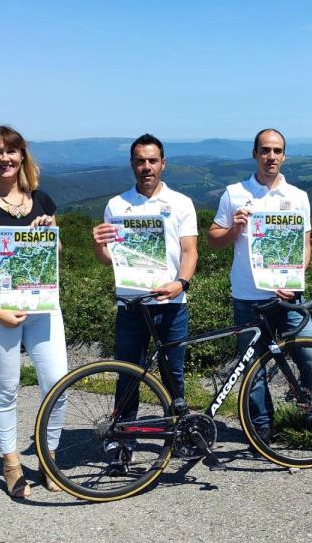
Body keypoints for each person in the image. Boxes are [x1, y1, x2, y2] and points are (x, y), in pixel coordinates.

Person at [0, 125, 68, 498]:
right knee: (6, 388)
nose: (4, 158)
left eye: (11, 151)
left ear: (23, 156)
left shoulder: (43, 200)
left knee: (58, 384)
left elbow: (54, 255)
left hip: (41, 307)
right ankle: (11, 464)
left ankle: (49, 459)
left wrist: (51, 233)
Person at [207, 128, 312, 448]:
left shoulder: (298, 197)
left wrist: (294, 279)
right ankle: (262, 427)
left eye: (277, 151)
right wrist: (234, 228)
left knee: (311, 358)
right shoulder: (234, 193)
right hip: (248, 297)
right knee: (252, 368)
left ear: (284, 156)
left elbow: (305, 246)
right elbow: (213, 239)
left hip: (290, 297)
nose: (271, 157)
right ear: (255, 154)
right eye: (265, 150)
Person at [91, 133, 198, 466]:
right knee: (129, 375)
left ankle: (178, 432)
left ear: (163, 163)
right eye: (140, 161)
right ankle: (123, 439)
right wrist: (97, 244)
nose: (147, 167)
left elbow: (189, 251)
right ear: (132, 164)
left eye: (153, 160)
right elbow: (111, 259)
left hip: (170, 304)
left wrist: (181, 283)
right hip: (132, 304)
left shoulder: (181, 203)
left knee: (173, 375)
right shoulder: (116, 205)